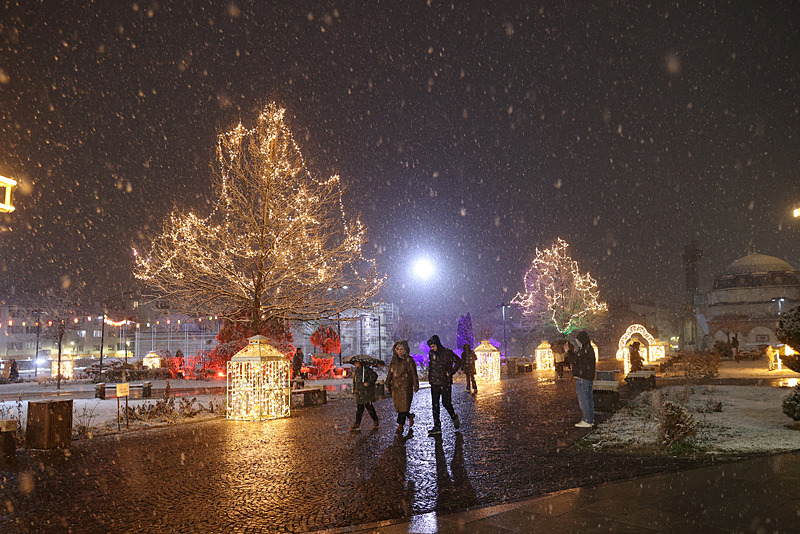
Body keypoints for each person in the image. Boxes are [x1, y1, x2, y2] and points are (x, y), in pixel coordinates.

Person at [426, 335, 462, 436]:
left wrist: (450, 372)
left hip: (445, 382)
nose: (432, 348)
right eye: (431, 347)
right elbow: (431, 366)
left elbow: (458, 361)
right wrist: (431, 378)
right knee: (435, 405)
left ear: (437, 344)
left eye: (433, 346)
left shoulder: (447, 353)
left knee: (446, 403)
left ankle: (453, 415)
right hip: (434, 383)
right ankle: (437, 426)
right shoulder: (431, 353)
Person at [385, 340, 419, 433]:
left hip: (405, 387)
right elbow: (390, 373)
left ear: (405, 350)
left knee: (403, 407)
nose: (400, 351)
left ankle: (400, 425)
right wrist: (387, 383)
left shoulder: (409, 360)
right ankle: (409, 416)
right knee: (400, 407)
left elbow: (413, 373)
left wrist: (415, 385)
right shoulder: (394, 360)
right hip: (396, 387)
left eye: (401, 349)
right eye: (398, 349)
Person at [572, 330, 596, 428]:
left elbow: (576, 361)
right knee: (588, 398)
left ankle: (587, 420)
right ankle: (589, 418)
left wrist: (569, 352)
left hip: (583, 377)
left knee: (584, 399)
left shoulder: (585, 350)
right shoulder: (588, 349)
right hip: (587, 377)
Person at [350, 360, 379, 431]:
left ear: (361, 362)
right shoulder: (356, 371)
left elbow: (375, 376)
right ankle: (357, 424)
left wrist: (368, 382)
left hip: (366, 392)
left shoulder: (366, 370)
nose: (355, 363)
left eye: (357, 362)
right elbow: (355, 381)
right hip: (359, 392)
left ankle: (375, 420)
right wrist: (354, 389)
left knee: (369, 407)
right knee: (359, 409)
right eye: (354, 362)